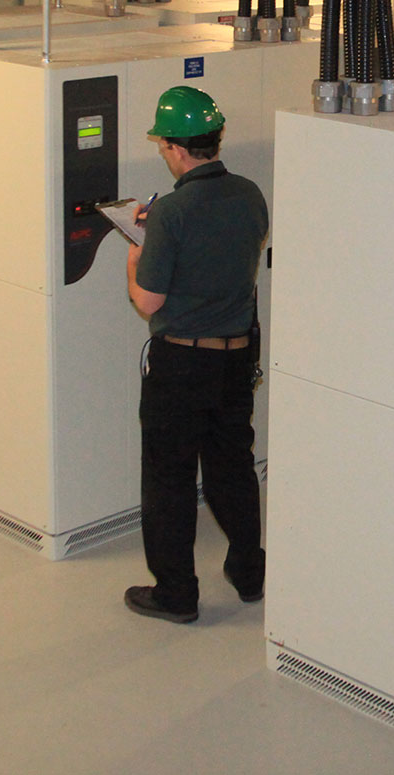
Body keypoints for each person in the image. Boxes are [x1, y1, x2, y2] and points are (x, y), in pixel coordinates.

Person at [124, 85, 269, 624]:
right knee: (232, 467)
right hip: (235, 359)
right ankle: (250, 572)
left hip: (182, 365)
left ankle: (176, 593)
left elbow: (148, 300)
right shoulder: (250, 194)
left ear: (177, 149)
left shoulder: (172, 213)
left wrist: (138, 254)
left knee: (170, 478)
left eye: (164, 146)